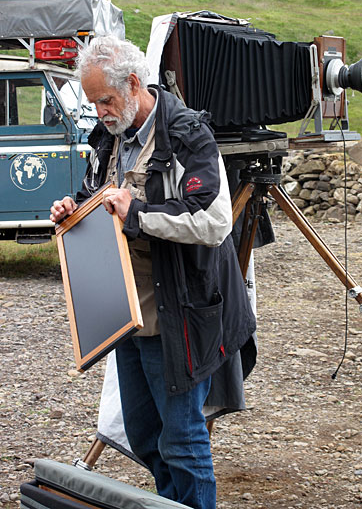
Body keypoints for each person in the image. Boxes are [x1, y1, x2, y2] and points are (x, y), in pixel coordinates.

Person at [50, 35, 256, 509]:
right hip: (130, 316)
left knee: (182, 440)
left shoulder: (187, 134)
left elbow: (214, 222)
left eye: (106, 99)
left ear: (134, 84)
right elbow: (96, 199)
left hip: (180, 314)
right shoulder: (108, 137)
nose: (99, 110)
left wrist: (138, 212)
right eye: (92, 101)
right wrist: (73, 211)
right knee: (144, 436)